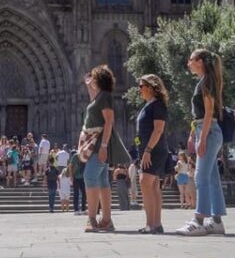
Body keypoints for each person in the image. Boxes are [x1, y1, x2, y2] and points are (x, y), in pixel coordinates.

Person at [176, 49, 227, 236]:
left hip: (209, 131)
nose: (188, 63)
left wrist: (202, 137)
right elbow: (200, 114)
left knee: (200, 177)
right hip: (205, 130)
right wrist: (194, 133)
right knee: (211, 178)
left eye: (190, 60)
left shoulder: (207, 82)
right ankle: (216, 221)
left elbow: (209, 111)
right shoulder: (204, 81)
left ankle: (199, 220)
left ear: (199, 61)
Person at [78, 64, 130, 233]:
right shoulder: (100, 97)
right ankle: (106, 220)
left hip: (99, 143)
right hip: (97, 143)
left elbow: (109, 121)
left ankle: (92, 219)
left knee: (89, 176)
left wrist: (104, 146)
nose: (91, 79)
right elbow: (94, 102)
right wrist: (88, 86)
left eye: (93, 77)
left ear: (99, 79)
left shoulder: (105, 97)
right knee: (102, 181)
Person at [135, 74, 169, 234]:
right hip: (148, 149)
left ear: (150, 87)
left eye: (141, 86)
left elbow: (158, 130)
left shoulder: (158, 105)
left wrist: (148, 150)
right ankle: (156, 224)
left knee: (145, 183)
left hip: (153, 149)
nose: (139, 90)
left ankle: (151, 224)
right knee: (153, 186)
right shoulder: (149, 105)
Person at [70, 150, 87, 215]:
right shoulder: (75, 156)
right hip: (76, 177)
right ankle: (76, 210)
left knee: (84, 193)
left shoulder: (85, 156)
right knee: (76, 193)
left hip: (83, 177)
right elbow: (70, 166)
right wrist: (71, 176)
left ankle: (83, 209)